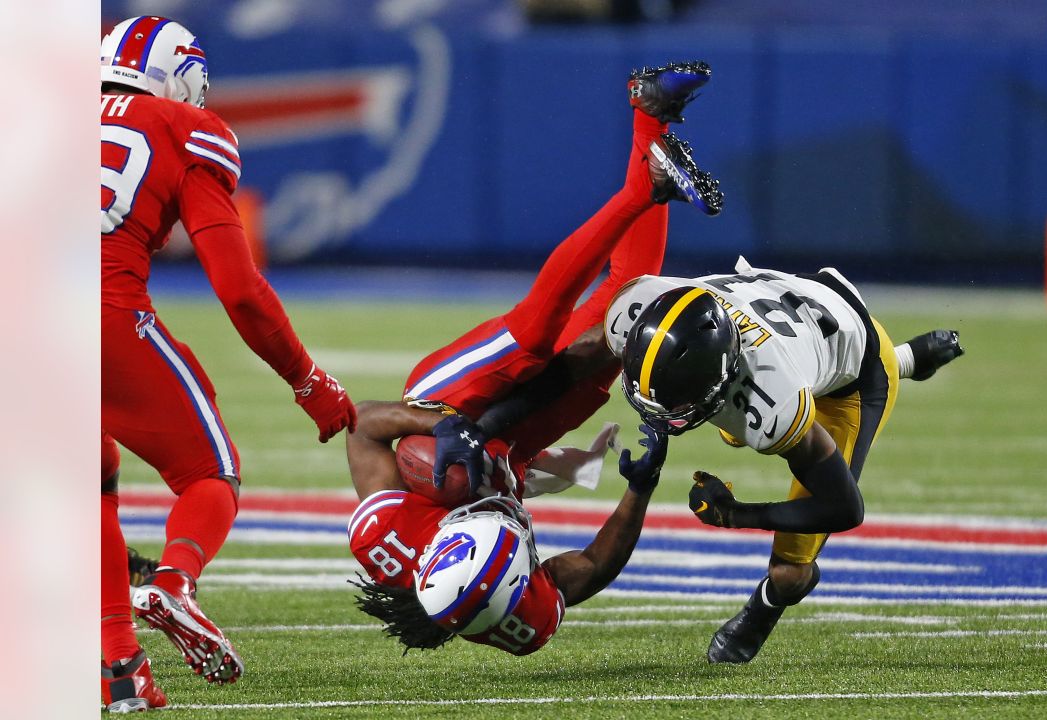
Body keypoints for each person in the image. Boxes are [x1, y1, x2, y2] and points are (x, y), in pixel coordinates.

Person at [343, 61, 720, 655]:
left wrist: (441, 426)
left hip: (447, 401)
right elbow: (592, 566)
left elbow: (362, 426)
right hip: (511, 445)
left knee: (530, 338)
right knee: (628, 319)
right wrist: (638, 490)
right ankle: (650, 113)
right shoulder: (518, 611)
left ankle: (642, 190)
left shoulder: (387, 538)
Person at [442, 259, 963, 663]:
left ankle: (765, 607)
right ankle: (913, 357)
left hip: (852, 369)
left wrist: (738, 514)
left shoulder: (771, 401)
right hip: (795, 305)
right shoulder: (649, 307)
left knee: (790, 568)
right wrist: (480, 426)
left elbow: (845, 509)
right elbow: (569, 370)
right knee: (738, 429)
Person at [100, 16, 357, 712]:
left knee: (93, 478)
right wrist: (310, 381)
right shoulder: (184, 128)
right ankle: (175, 581)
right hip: (99, 311)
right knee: (209, 472)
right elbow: (240, 290)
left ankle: (120, 669)